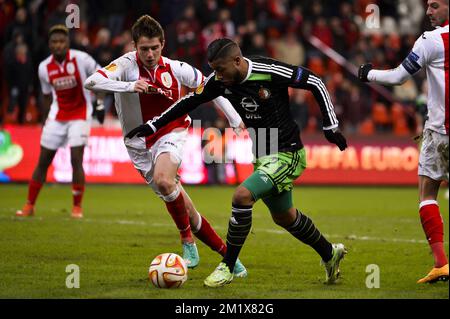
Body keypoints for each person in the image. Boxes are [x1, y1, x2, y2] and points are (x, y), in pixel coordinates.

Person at [126, 37, 348, 287]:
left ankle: (227, 266)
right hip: (263, 155)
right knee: (285, 217)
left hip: (287, 153)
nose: (217, 76)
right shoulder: (220, 81)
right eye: (213, 70)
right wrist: (154, 124)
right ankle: (330, 253)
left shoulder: (268, 71)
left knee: (242, 196)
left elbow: (315, 81)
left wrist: (330, 126)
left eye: (220, 69)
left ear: (237, 61)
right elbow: (189, 101)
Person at [84, 15, 247, 275]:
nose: (149, 54)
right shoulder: (125, 66)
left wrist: (234, 118)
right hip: (137, 143)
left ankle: (186, 241)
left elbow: (211, 86)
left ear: (163, 44)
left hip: (171, 131)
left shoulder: (176, 68)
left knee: (163, 180)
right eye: (143, 49)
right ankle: (229, 258)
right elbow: (90, 82)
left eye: (154, 48)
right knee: (187, 208)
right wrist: (128, 86)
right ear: (134, 46)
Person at [358, 0, 449, 284]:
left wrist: (368, 74)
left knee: (427, 194)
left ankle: (442, 264)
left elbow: (398, 77)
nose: (428, 12)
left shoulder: (431, 41)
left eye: (434, 6)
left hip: (439, 133)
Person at [16, 25, 105, 219]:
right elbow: (47, 96)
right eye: (54, 42)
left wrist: (99, 103)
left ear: (68, 43)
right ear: (49, 45)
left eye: (61, 42)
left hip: (80, 114)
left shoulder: (82, 59)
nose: (58, 45)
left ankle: (77, 207)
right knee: (43, 161)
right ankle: (29, 205)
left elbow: (102, 77)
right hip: (57, 117)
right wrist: (45, 118)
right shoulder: (43, 68)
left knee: (76, 159)